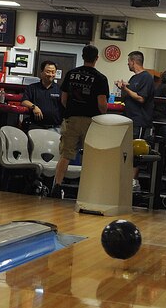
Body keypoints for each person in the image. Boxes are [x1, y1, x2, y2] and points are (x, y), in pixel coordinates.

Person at [50, 45, 108, 199]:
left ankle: (57, 185)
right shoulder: (100, 78)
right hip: (91, 122)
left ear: (83, 56)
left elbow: (63, 99)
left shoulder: (71, 74)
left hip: (72, 119)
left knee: (66, 154)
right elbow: (102, 104)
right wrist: (104, 115)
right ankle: (88, 190)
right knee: (90, 156)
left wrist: (73, 109)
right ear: (97, 58)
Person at [115, 51, 154, 192]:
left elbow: (141, 98)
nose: (127, 64)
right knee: (127, 150)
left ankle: (133, 181)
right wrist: (123, 88)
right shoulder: (134, 78)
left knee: (136, 151)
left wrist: (126, 88)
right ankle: (126, 179)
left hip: (140, 120)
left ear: (133, 61)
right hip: (129, 119)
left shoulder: (146, 78)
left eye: (128, 61)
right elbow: (129, 97)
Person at [20, 61, 63, 131]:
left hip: (55, 128)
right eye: (48, 72)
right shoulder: (32, 88)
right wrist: (34, 107)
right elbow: (24, 101)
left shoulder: (60, 89)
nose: (51, 75)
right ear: (41, 72)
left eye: (53, 72)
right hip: (36, 126)